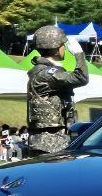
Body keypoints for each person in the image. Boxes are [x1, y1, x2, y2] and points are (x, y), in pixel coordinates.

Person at [26, 25, 90, 155]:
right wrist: (79, 55)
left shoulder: (44, 71)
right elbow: (81, 78)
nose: (64, 48)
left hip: (50, 142)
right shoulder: (47, 74)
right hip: (50, 144)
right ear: (56, 49)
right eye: (63, 45)